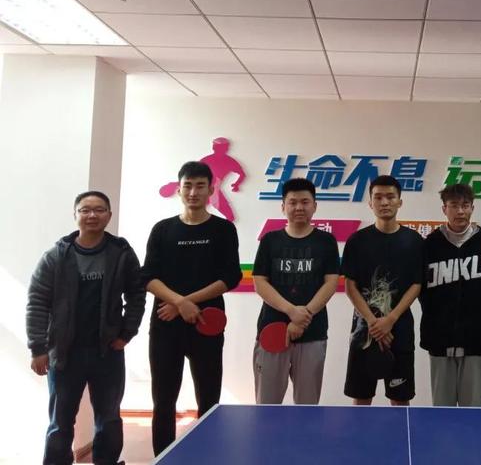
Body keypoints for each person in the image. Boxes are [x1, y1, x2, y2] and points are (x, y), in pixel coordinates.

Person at [26, 191, 145, 465]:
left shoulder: (121, 254)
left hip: (108, 352)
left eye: (99, 210)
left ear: (109, 215)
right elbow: (37, 302)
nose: (92, 215)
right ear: (76, 215)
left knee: (109, 418)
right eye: (85, 210)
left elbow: (137, 295)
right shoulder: (56, 256)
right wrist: (38, 348)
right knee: (60, 421)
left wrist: (126, 334)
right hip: (65, 353)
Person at [141, 161, 242, 456]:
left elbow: (230, 277)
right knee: (163, 400)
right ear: (179, 190)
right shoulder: (163, 229)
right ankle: (163, 457)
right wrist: (179, 303)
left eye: (200, 186)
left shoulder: (223, 229)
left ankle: (207, 456)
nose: (193, 192)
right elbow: (147, 276)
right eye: (188, 185)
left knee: (209, 399)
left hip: (207, 325)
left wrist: (187, 303)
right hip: (166, 325)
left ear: (211, 190)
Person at [252, 178, 339, 404]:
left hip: (313, 333)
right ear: (283, 206)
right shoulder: (270, 240)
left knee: (307, 406)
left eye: (305, 202)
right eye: (292, 202)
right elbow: (260, 282)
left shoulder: (326, 241)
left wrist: (303, 317)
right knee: (267, 406)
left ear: (314, 206)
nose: (299, 207)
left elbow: (331, 283)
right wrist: (292, 311)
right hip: (272, 332)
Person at [342, 175, 424, 405]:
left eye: (390, 197)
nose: (385, 202)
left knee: (400, 399)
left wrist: (391, 319)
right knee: (361, 397)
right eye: (378, 197)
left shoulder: (414, 241)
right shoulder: (357, 241)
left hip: (400, 330)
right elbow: (350, 286)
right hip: (364, 331)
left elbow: (416, 284)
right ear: (370, 203)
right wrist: (373, 322)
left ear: (400, 201)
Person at [420, 183, 481, 406]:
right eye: (454, 205)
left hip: (477, 341)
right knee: (442, 410)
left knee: (474, 411)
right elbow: (422, 291)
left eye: (465, 205)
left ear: (472, 208)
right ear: (444, 209)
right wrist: (437, 319)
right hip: (439, 340)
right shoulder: (430, 246)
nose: (460, 211)